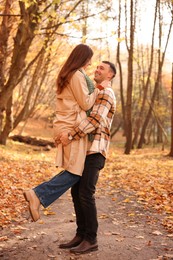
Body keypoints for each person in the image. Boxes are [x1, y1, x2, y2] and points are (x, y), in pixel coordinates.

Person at [23, 43, 99, 221]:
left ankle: (39, 196)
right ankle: (37, 194)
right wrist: (98, 90)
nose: (89, 63)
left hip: (64, 123)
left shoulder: (68, 73)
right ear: (83, 58)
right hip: (71, 126)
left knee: (74, 170)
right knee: (75, 170)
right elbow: (86, 103)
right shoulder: (77, 75)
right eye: (89, 59)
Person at [58, 61, 116, 254]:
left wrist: (71, 135)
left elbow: (94, 120)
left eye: (102, 68)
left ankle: (91, 239)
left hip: (96, 151)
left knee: (85, 193)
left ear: (110, 75)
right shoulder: (96, 93)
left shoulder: (107, 94)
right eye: (97, 67)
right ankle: (80, 235)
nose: (97, 70)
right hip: (85, 150)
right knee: (76, 192)